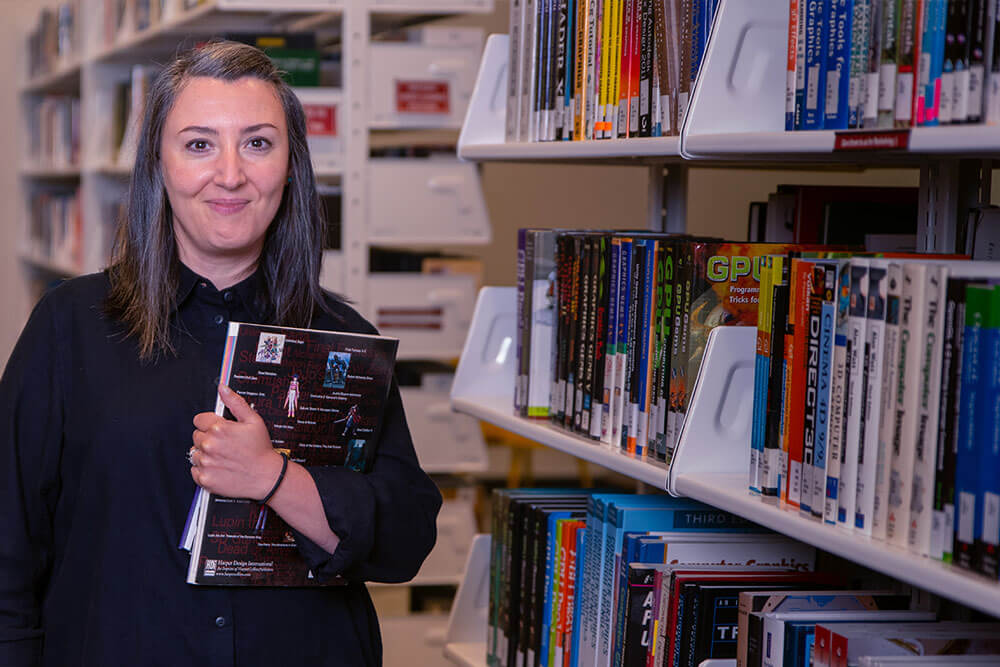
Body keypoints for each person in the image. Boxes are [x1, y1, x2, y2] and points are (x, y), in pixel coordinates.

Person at [0, 41, 442, 666]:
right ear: (159, 164)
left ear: (291, 166)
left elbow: (406, 541)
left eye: (258, 143)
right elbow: (9, 549)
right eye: (199, 144)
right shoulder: (70, 325)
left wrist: (275, 479)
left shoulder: (341, 339)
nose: (230, 174)